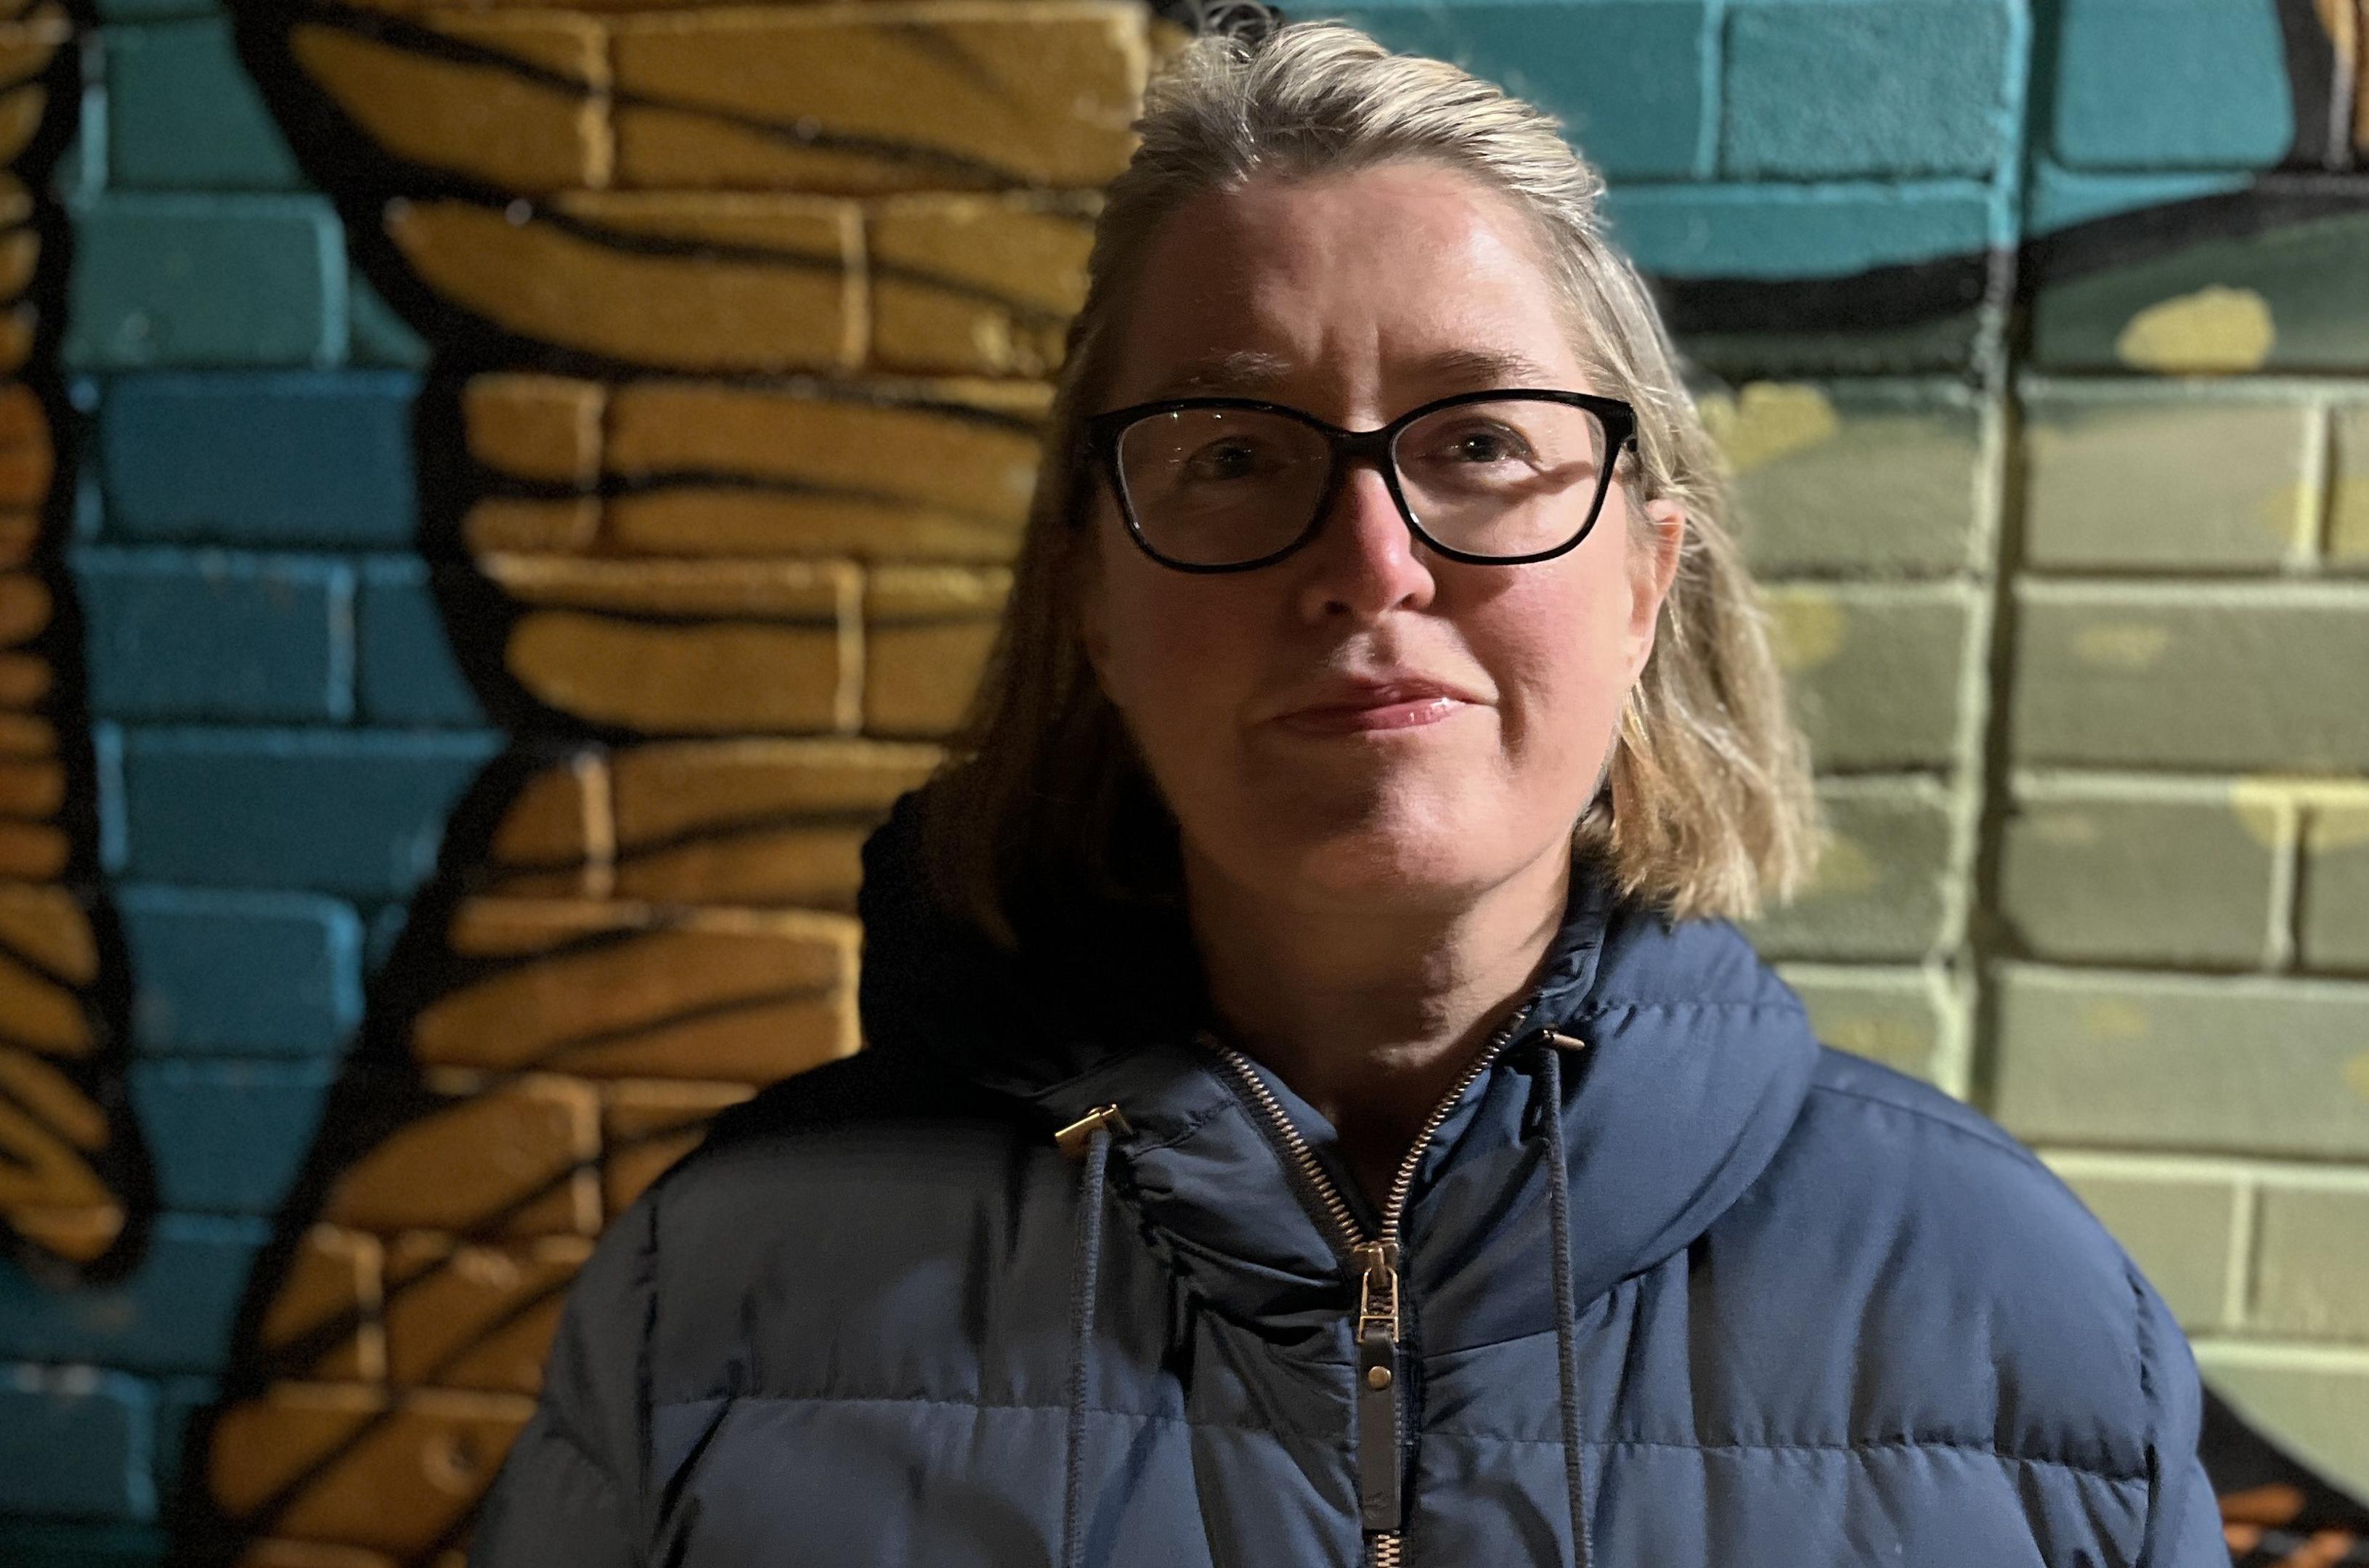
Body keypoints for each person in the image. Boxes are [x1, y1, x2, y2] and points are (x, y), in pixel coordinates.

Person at [469, 18, 2230, 1567]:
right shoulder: (724, 1302)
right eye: (1235, 456)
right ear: (1090, 592)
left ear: (1643, 580)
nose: (1368, 561)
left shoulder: (2028, 1326)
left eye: (1479, 442)